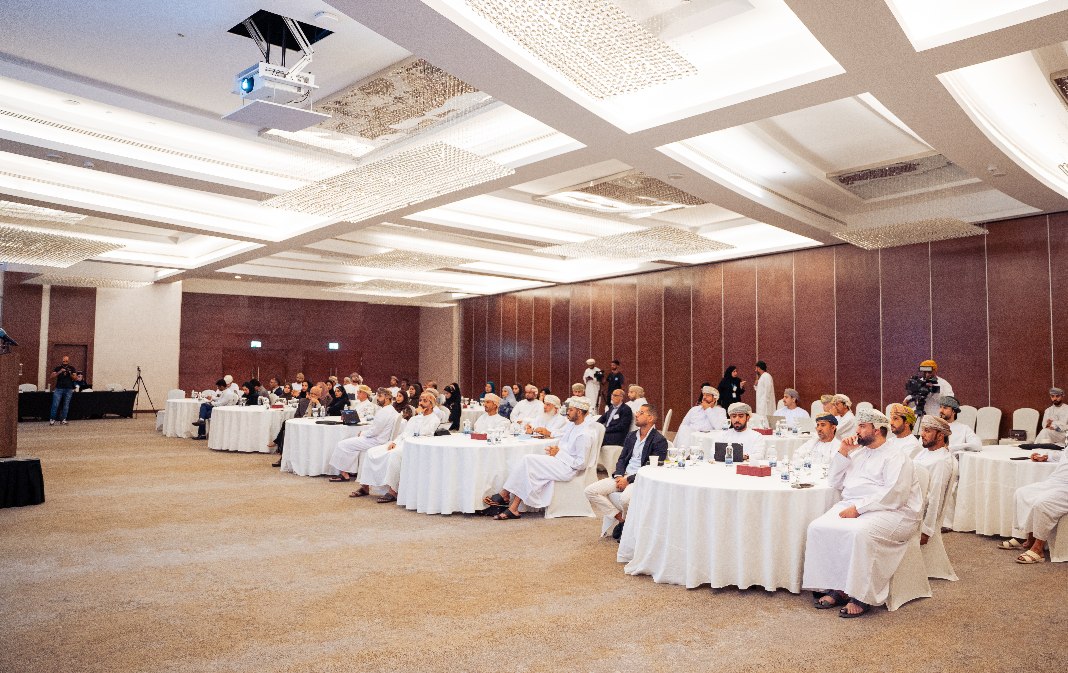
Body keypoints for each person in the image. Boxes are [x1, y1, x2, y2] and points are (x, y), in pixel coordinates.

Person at [802, 409, 923, 618]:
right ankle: (838, 587)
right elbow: (834, 481)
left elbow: (895, 495)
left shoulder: (896, 456)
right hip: (854, 505)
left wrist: (859, 509)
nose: (856, 430)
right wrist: (843, 451)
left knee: (859, 533)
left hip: (895, 511)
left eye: (862, 426)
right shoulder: (858, 452)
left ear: (877, 430)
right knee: (817, 527)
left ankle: (861, 596)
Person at [486, 397, 597, 520]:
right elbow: (561, 433)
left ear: (579, 412)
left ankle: (505, 494)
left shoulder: (584, 434)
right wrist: (548, 434)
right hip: (560, 461)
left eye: (571, 410)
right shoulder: (573, 425)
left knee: (528, 461)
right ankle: (512, 506)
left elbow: (581, 464)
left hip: (568, 469)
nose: (567, 412)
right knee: (527, 463)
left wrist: (558, 453)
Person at [585, 403, 668, 539]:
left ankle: (627, 528)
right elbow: (622, 459)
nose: (636, 414)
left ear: (650, 418)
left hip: (639, 479)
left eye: (641, 412)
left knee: (624, 499)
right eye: (637, 412)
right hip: (623, 476)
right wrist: (619, 475)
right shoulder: (631, 436)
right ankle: (622, 521)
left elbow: (651, 468)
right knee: (590, 491)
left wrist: (628, 480)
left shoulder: (659, 440)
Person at [357, 391, 442, 503]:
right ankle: (365, 487)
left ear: (431, 404)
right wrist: (395, 442)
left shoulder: (434, 419)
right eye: (420, 400)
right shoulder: (414, 419)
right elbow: (404, 433)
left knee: (394, 455)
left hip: (414, 445)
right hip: (402, 442)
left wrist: (420, 416)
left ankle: (393, 491)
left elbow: (423, 433)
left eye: (425, 401)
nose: (421, 403)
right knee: (371, 451)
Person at [999, 447, 1067, 564]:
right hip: (1056, 481)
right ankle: (1030, 539)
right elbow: (1063, 454)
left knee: (1043, 503)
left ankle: (1038, 549)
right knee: (1022, 493)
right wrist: (1046, 457)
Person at [328, 388, 399, 482]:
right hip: (380, 439)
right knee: (350, 442)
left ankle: (344, 474)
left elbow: (375, 431)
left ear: (387, 398)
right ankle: (349, 471)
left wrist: (362, 433)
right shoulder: (391, 410)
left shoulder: (384, 412)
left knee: (342, 444)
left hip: (376, 440)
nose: (377, 399)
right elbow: (376, 429)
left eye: (380, 396)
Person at [913, 416, 954, 546]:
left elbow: (936, 497)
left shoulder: (941, 461)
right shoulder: (924, 452)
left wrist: (926, 531)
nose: (922, 434)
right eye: (922, 430)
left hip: (915, 512)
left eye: (927, 431)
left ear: (940, 436)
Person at [48, 355, 77, 426]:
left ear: (69, 361)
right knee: (55, 404)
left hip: (69, 389)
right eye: (64, 361)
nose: (65, 362)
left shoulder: (72, 368)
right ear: (62, 361)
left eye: (66, 361)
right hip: (59, 388)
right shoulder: (58, 368)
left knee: (66, 405)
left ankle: (63, 419)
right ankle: (52, 419)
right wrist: (60, 372)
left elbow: (75, 378)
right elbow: (51, 376)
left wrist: (70, 373)